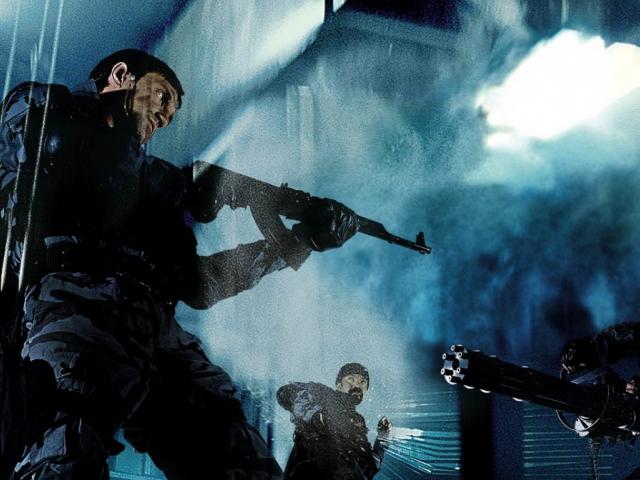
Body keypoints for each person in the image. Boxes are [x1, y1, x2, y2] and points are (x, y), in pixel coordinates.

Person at [0, 49, 359, 479]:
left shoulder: (160, 183)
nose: (166, 116)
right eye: (163, 95)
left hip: (158, 330)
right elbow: (32, 130)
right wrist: (182, 180)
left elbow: (200, 285)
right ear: (121, 75)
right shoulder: (52, 122)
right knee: (64, 454)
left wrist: (298, 242)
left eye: (173, 111)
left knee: (240, 459)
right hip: (77, 304)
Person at [276, 363, 391, 480]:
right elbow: (284, 393)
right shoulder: (323, 394)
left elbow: (368, 469)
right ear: (338, 384)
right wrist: (315, 415)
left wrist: (382, 439)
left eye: (363, 382)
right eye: (351, 379)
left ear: (366, 389)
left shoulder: (357, 421)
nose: (357, 385)